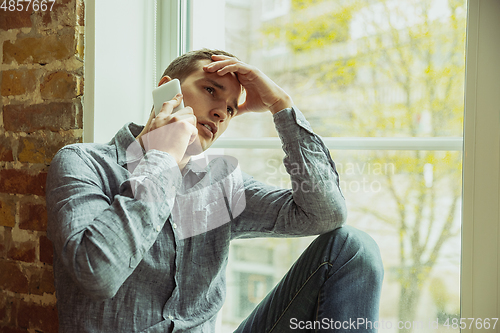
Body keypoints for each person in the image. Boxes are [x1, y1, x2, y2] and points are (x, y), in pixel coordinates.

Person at [46, 48, 384, 333]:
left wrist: (281, 106)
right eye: (211, 91)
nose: (222, 112)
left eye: (232, 108)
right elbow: (98, 273)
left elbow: (325, 214)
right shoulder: (83, 163)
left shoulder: (222, 183)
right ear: (168, 91)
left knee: (353, 246)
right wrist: (163, 159)